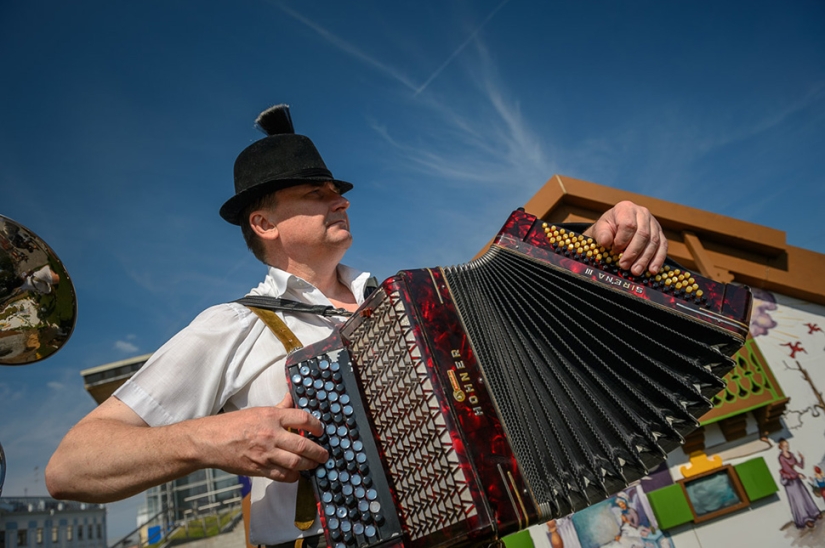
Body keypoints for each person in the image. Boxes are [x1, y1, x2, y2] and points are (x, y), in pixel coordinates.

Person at [45, 104, 669, 548]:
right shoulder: (229, 326)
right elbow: (71, 467)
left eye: (337, 190)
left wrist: (603, 245)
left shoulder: (423, 308)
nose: (340, 199)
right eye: (316, 192)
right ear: (264, 223)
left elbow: (532, 343)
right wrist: (208, 440)